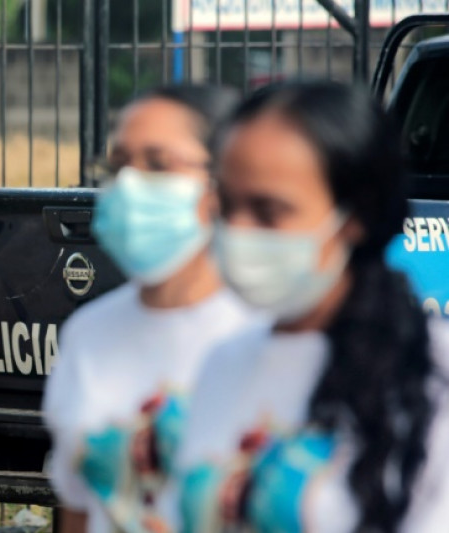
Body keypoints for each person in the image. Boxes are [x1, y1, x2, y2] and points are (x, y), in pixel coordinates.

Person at [171, 80, 449, 532]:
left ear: (354, 216)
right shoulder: (221, 363)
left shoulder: (434, 375)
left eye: (268, 211)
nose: (237, 231)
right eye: (227, 205)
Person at [42, 85, 255, 533]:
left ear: (224, 181)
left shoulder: (265, 334)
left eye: (159, 165)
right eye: (120, 166)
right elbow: (78, 506)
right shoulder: (89, 334)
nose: (131, 187)